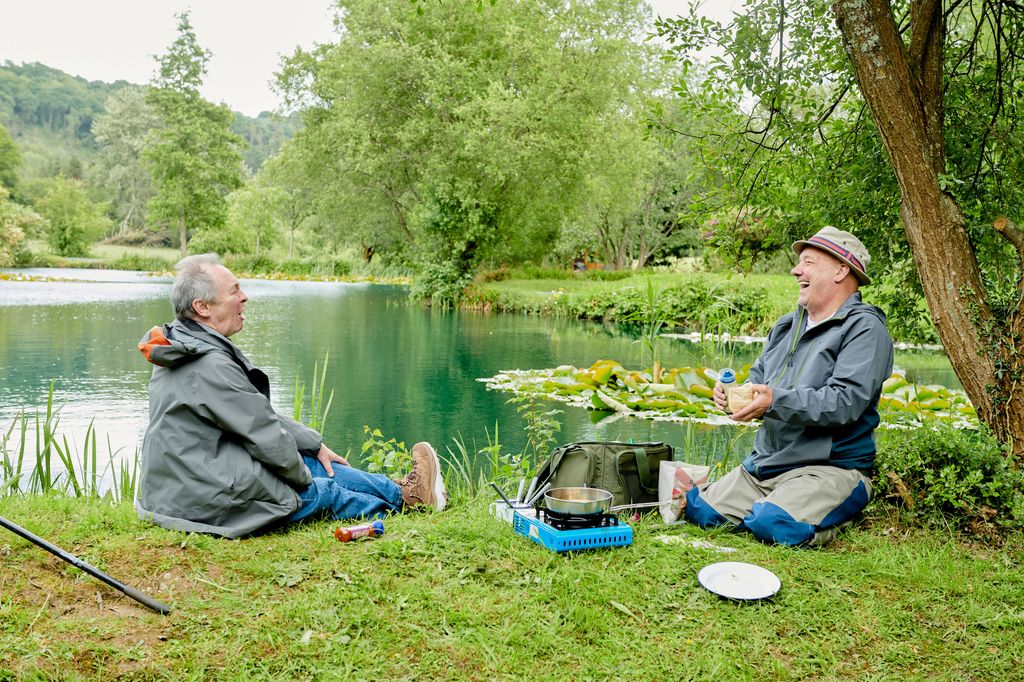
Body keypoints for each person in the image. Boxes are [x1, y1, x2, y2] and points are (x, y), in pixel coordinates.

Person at [135, 253, 446, 539]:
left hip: (180, 489)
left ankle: (405, 492)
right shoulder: (209, 364)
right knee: (322, 490)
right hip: (203, 499)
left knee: (314, 462)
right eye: (234, 291)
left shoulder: (181, 346)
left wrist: (313, 445)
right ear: (203, 307)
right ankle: (406, 505)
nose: (244, 297)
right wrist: (302, 477)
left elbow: (252, 412)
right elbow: (265, 437)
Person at [680, 226, 894, 546]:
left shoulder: (865, 328)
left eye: (808, 262)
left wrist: (774, 400)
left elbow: (845, 402)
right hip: (767, 466)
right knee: (701, 511)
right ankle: (774, 506)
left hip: (829, 469)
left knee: (772, 524)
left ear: (841, 270)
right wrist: (735, 397)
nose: (796, 270)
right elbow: (759, 382)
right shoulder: (786, 326)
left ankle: (828, 514)